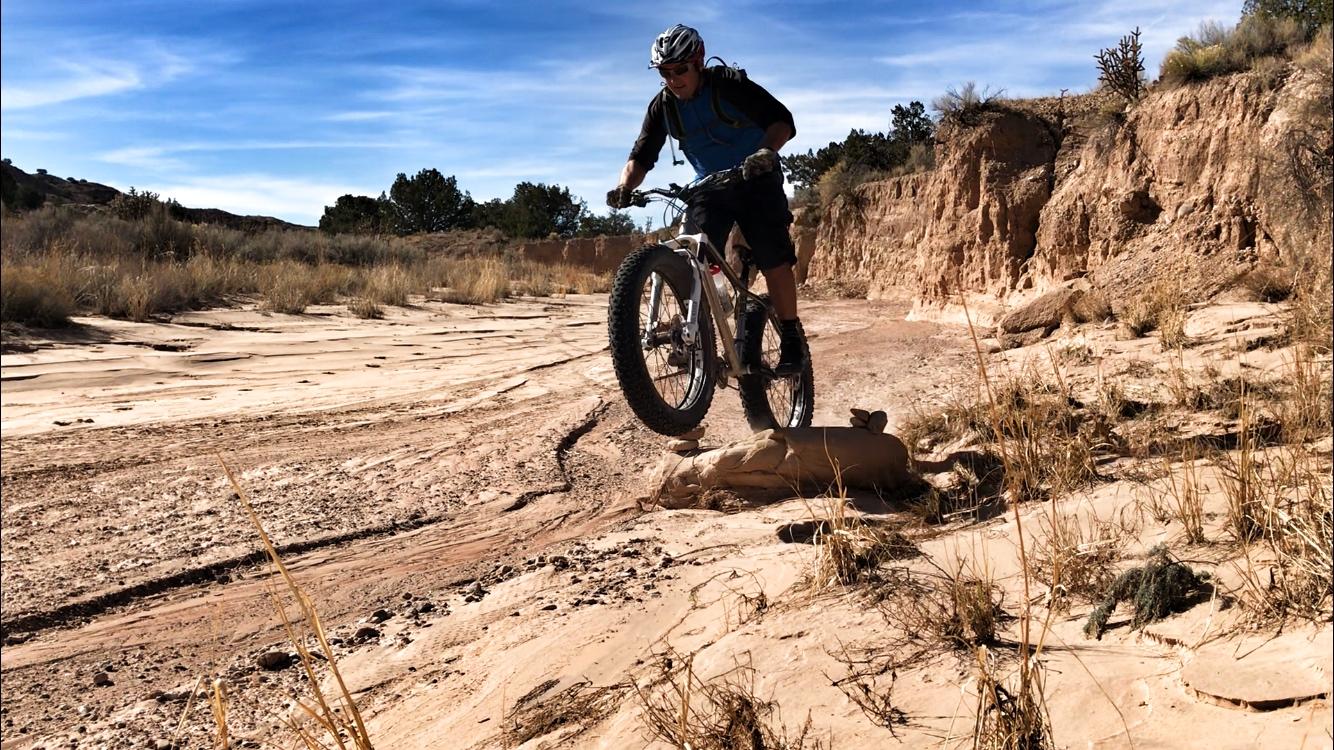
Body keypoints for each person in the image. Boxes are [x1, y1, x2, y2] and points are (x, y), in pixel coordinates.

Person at [607, 24, 805, 375]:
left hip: (756, 177)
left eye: (680, 69)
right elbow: (640, 156)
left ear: (698, 62)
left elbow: (782, 121)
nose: (673, 79)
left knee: (773, 255)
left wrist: (764, 152)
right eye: (665, 73)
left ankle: (790, 337)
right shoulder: (663, 107)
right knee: (691, 253)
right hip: (710, 187)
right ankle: (698, 327)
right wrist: (625, 187)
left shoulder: (728, 85)